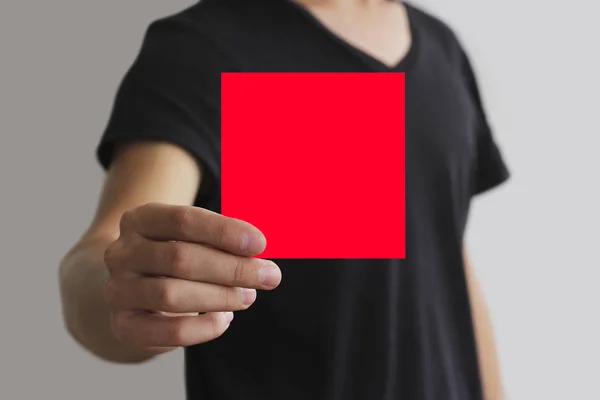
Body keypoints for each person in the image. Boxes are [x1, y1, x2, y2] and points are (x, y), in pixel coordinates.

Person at [58, 0, 510, 399]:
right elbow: (106, 252)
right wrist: (121, 296)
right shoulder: (202, 48)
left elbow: (447, 257)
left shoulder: (442, 47)